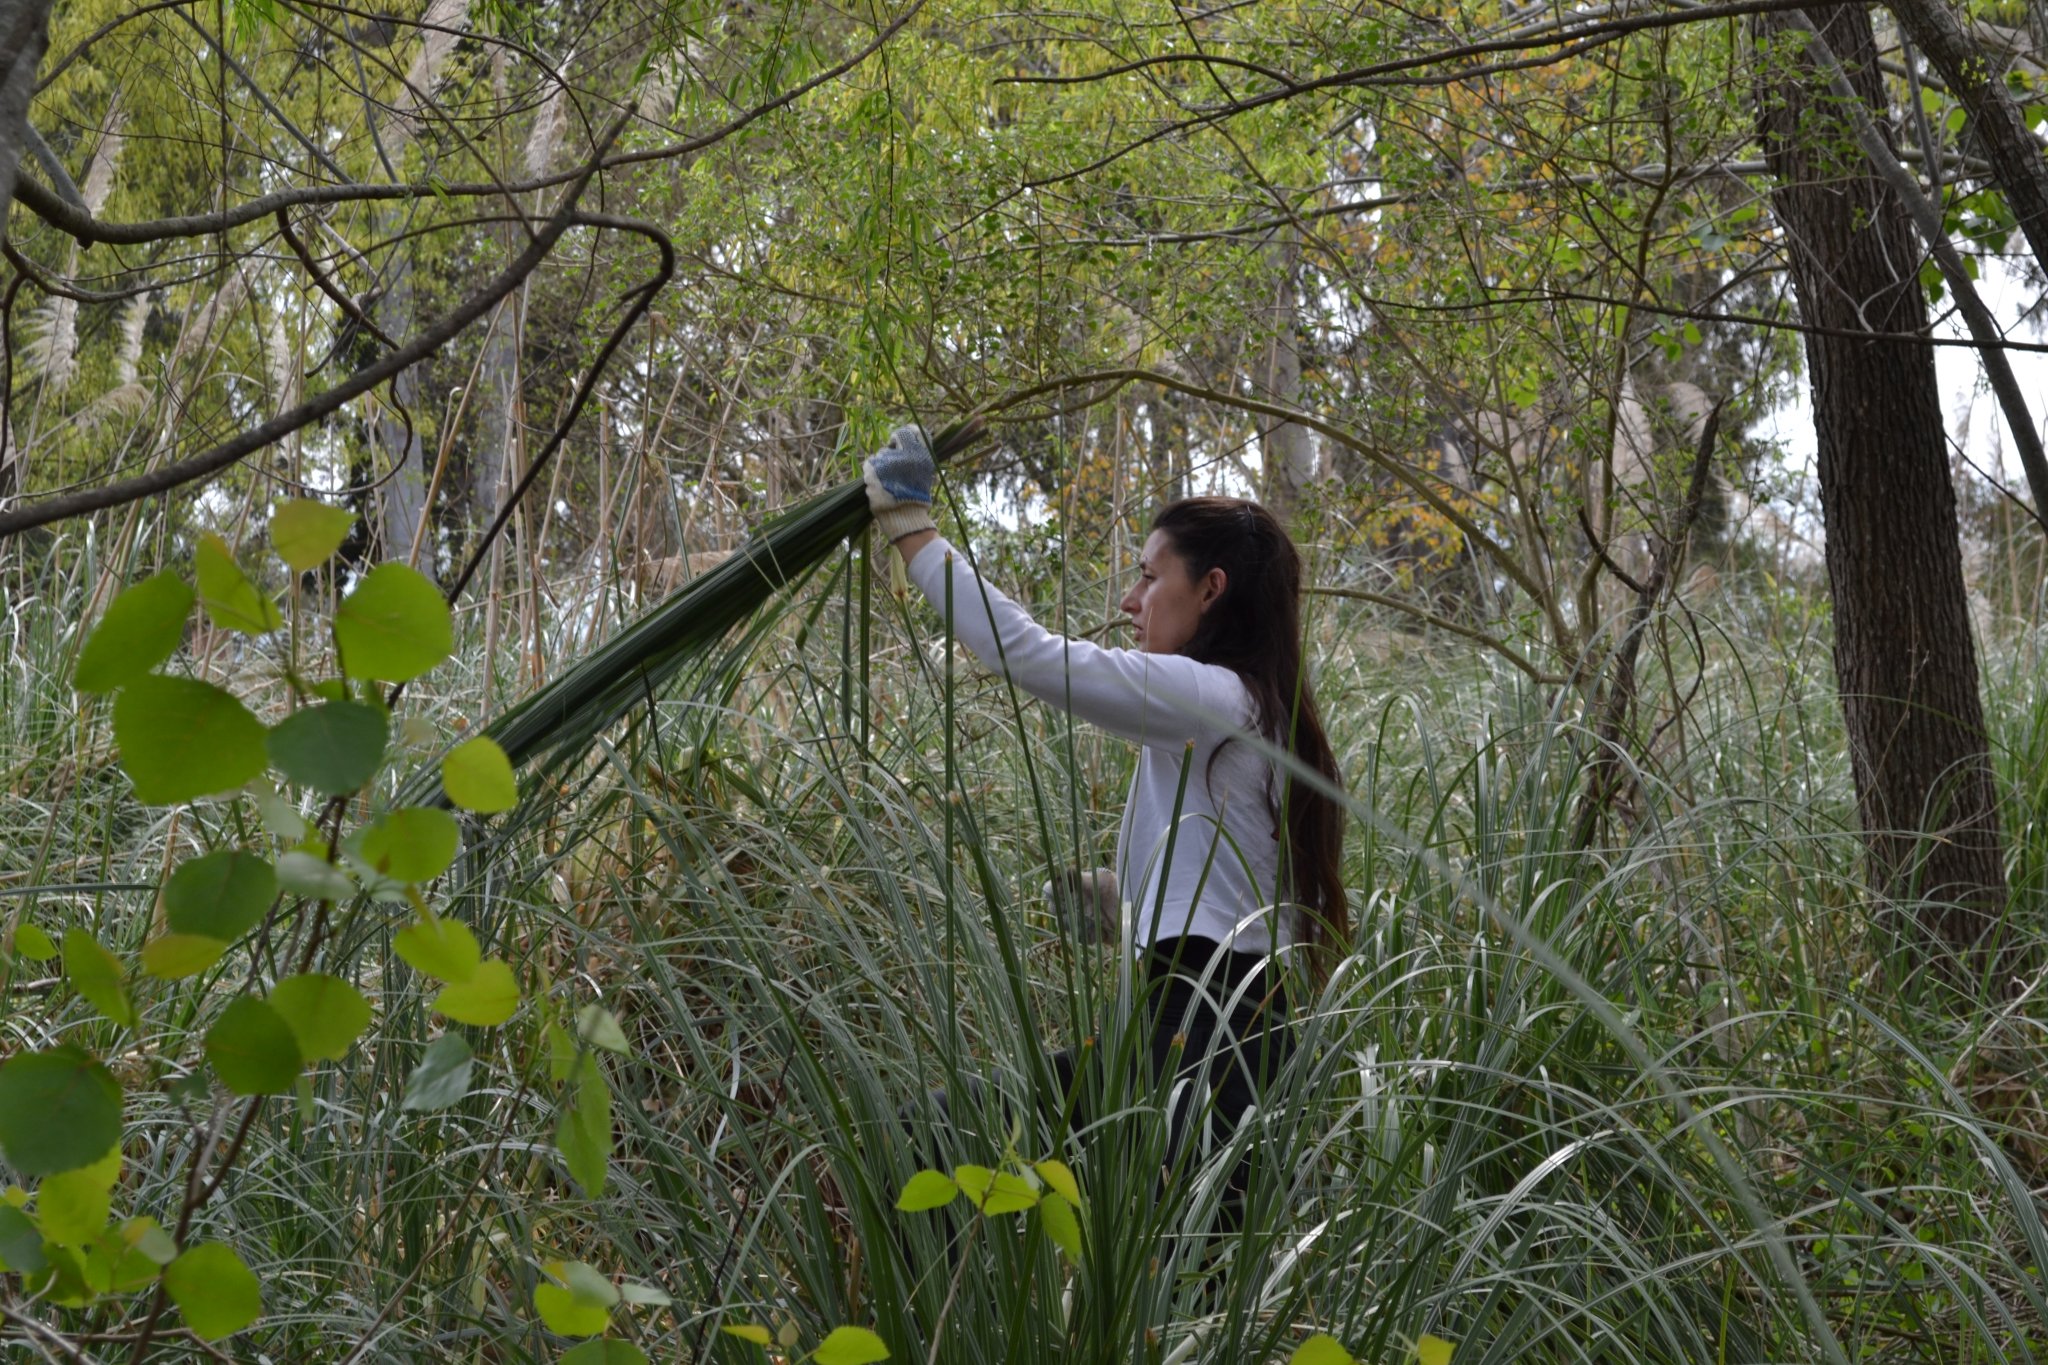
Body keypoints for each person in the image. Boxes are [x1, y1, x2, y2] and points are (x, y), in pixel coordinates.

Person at [864, 423, 1347, 1222]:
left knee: (936, 1139)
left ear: (1211, 589)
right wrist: (1125, 899)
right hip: (1219, 1036)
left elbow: (1030, 654)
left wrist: (910, 527)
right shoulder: (1258, 712)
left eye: (1150, 577)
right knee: (945, 1142)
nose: (1129, 600)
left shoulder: (1215, 697)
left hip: (1200, 1041)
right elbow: (1236, 886)